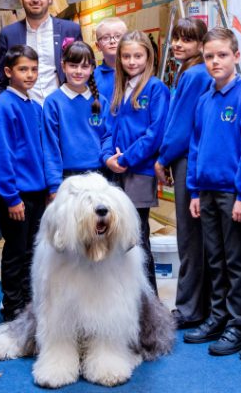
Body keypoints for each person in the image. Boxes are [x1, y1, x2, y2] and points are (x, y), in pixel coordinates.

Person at [183, 27, 241, 356]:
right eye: (209, 56)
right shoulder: (204, 100)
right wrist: (194, 191)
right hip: (207, 191)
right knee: (214, 259)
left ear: (236, 56)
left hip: (232, 194)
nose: (215, 62)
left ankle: (240, 323)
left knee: (236, 260)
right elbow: (196, 146)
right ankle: (218, 316)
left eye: (222, 55)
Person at [153, 17, 212, 329]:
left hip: (187, 158)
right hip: (189, 158)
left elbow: (180, 125)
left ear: (201, 45)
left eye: (187, 40)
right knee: (196, 236)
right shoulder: (189, 71)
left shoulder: (194, 74)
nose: (178, 45)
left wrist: (163, 158)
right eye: (175, 38)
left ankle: (189, 309)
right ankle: (197, 306)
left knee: (189, 237)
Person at [103, 31, 170, 293]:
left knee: (137, 238)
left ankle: (148, 301)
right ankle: (122, 297)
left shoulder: (155, 89)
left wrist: (127, 158)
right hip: (115, 172)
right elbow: (107, 130)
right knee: (117, 238)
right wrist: (108, 157)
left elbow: (155, 134)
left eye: (138, 56)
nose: (132, 61)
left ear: (148, 57)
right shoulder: (117, 89)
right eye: (126, 56)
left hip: (139, 172)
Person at [0, 45, 48, 322]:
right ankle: (13, 307)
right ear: (8, 71)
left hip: (37, 191)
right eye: (23, 69)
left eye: (34, 69)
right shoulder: (3, 106)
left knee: (31, 251)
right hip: (16, 194)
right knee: (15, 251)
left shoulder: (34, 106)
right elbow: (2, 154)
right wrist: (11, 197)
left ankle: (28, 304)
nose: (30, 74)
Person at [0, 0, 83, 103]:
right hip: (24, 112)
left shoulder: (70, 30)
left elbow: (85, 72)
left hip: (63, 109)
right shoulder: (8, 34)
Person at [43, 41, 111, 195]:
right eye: (73, 65)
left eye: (85, 66)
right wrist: (54, 185)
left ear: (93, 68)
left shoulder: (101, 102)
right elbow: (50, 145)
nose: (79, 71)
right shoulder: (53, 102)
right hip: (67, 178)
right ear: (63, 65)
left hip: (99, 176)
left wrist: (107, 158)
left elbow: (108, 136)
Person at [92, 17, 127, 101]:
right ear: (98, 46)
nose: (112, 41)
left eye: (118, 36)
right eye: (105, 38)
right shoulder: (92, 78)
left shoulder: (137, 72)